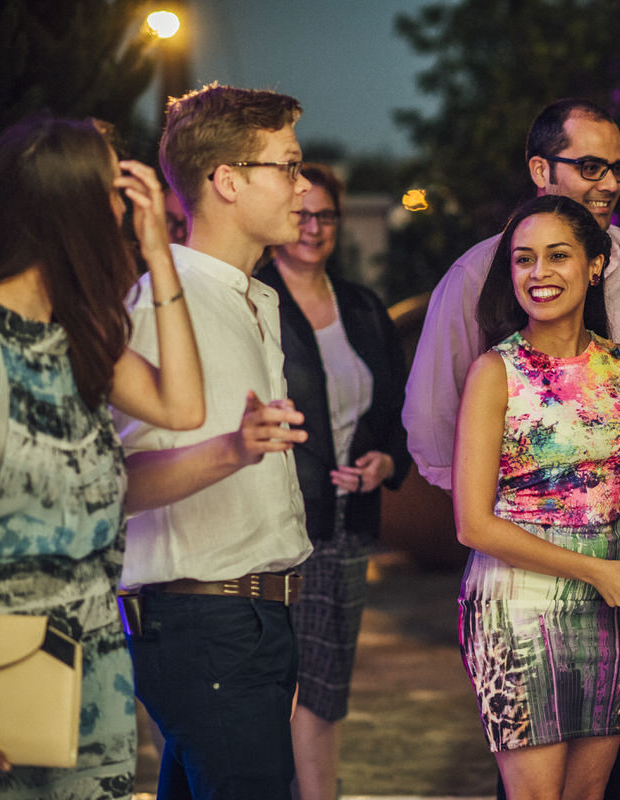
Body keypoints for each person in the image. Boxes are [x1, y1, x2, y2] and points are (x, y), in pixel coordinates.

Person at [402, 98, 620, 800]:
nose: (610, 182)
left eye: (618, 167)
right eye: (590, 166)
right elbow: (436, 420)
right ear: (540, 169)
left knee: (617, 776)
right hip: (518, 566)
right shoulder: (474, 280)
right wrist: (511, 495)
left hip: (617, 549)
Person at [454, 194, 620, 800]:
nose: (538, 273)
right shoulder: (494, 372)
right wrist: (600, 572)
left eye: (557, 256)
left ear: (595, 264)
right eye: (524, 260)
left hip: (607, 607)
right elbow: (473, 524)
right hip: (515, 603)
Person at [0, 116, 204, 795]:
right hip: (0, 659)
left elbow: (184, 407)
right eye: (113, 188)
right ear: (66, 206)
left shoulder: (78, 334)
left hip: (96, 654)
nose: (126, 204)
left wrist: (160, 251)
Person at [112, 84, 316, 800]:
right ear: (227, 180)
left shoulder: (251, 294)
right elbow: (119, 481)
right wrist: (235, 447)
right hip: (205, 617)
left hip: (251, 616)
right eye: (287, 167)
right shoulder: (166, 303)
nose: (302, 185)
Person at [258, 163, 411, 800]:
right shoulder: (253, 300)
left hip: (347, 527)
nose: (314, 228)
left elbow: (397, 413)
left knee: (324, 684)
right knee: (269, 687)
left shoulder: (363, 306)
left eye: (325, 215)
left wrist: (386, 462)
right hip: (274, 524)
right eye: (301, 214)